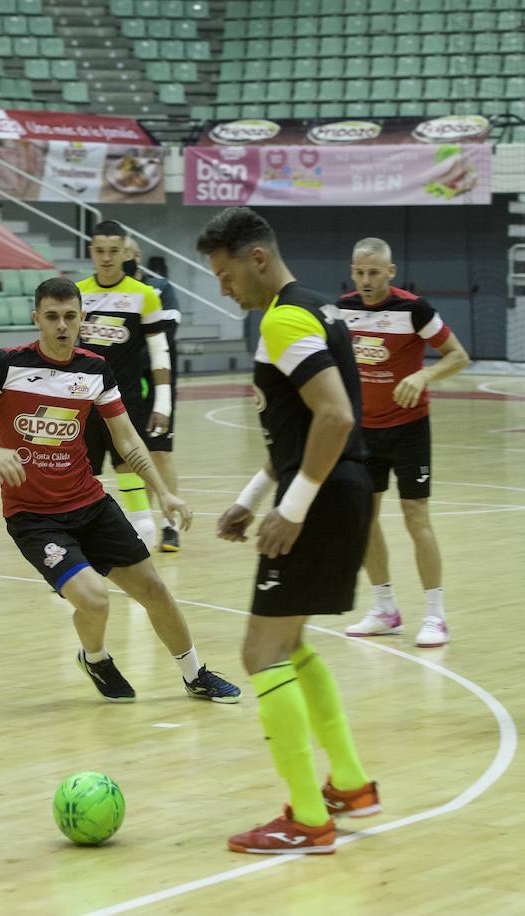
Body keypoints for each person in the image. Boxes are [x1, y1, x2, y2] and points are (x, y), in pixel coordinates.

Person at [0, 277, 239, 704]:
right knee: (95, 599)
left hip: (90, 504)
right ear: (36, 319)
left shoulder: (94, 369)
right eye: (52, 317)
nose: (61, 325)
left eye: (70, 316)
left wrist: (164, 494)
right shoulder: (7, 366)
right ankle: (95, 658)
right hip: (34, 518)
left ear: (83, 318)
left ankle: (195, 675)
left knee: (154, 590)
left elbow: (127, 439)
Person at [197, 207, 379, 855]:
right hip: (340, 492)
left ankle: (308, 819)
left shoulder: (284, 318)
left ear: (257, 259)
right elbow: (296, 432)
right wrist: (252, 498)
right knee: (291, 645)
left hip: (325, 499)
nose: (222, 288)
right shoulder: (317, 309)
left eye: (225, 275)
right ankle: (350, 785)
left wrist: (293, 507)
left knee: (259, 654)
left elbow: (333, 418)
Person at [335, 238, 470, 648]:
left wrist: (422, 376)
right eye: (359, 272)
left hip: (409, 428)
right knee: (365, 518)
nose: (366, 281)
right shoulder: (342, 309)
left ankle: (435, 615)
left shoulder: (415, 309)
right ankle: (385, 609)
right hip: (364, 430)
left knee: (416, 516)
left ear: (390, 273)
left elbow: (458, 356)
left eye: (374, 273)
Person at [77, 221, 175, 552]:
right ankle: (77, 566)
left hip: (125, 405)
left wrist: (163, 404)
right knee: (81, 481)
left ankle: (140, 560)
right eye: (100, 251)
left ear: (125, 253)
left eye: (113, 251)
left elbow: (160, 352)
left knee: (132, 485)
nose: (106, 258)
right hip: (82, 406)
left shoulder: (144, 296)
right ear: (91, 252)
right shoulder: (78, 293)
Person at [138, 250, 185, 553]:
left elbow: (165, 336)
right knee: (131, 457)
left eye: (123, 252)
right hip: (122, 383)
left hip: (156, 380)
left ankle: (171, 525)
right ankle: (141, 524)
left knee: (159, 454)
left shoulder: (160, 289)